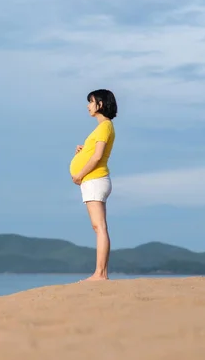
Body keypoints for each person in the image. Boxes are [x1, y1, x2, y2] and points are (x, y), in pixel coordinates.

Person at [69, 89, 117, 281]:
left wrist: (79, 174)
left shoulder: (105, 126)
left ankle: (100, 273)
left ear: (101, 104)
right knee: (98, 227)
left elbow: (98, 157)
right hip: (94, 180)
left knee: (100, 227)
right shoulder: (101, 129)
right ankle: (100, 273)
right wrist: (82, 151)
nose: (88, 106)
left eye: (91, 102)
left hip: (95, 179)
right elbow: (93, 152)